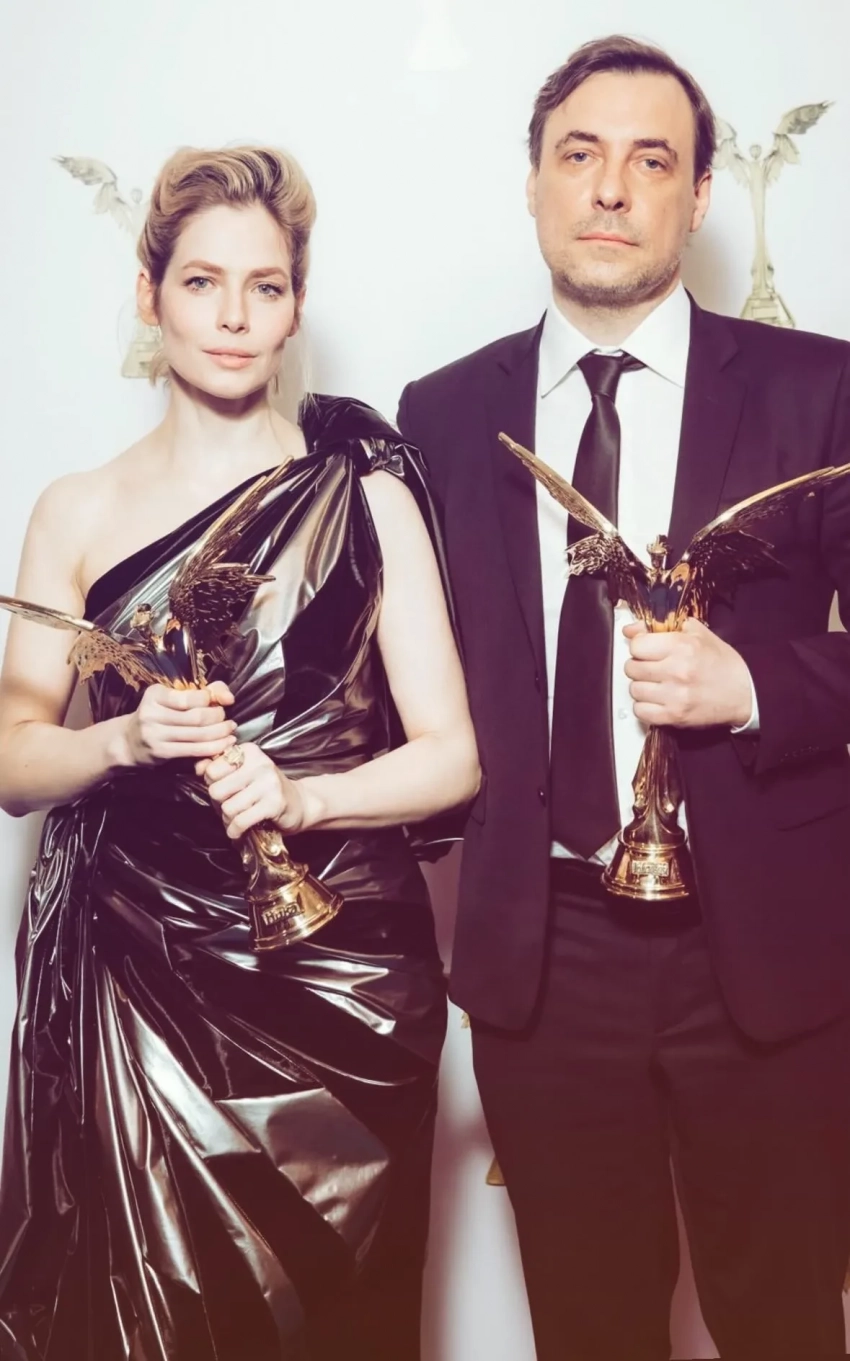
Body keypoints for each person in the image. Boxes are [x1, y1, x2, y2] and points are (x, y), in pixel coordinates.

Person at [398, 35, 850, 1361]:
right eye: (578, 154)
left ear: (699, 196)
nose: (609, 188)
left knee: (781, 1323)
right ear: (533, 182)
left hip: (764, 948)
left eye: (650, 160)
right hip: (543, 955)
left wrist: (754, 683)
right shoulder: (441, 413)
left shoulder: (821, 390)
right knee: (588, 1330)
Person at [0, 145, 479, 1361]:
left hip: (341, 978)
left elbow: (452, 757)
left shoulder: (364, 495)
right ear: (150, 291)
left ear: (296, 305)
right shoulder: (76, 508)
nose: (232, 315)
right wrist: (119, 737)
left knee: (340, 1326)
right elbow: (11, 760)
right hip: (142, 974)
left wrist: (303, 796)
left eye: (264, 287)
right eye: (202, 281)